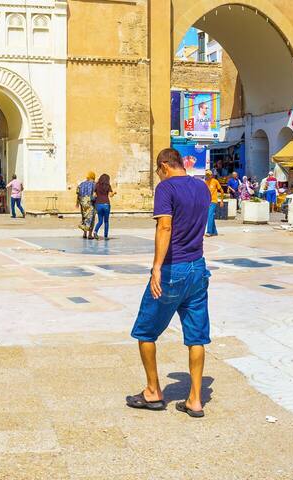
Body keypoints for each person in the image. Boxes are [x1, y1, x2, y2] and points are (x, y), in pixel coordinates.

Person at [123, 148, 214, 418]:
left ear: (164, 165)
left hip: (174, 268)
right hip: (198, 268)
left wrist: (156, 268)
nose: (158, 176)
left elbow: (165, 227)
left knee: (145, 331)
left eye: (158, 171)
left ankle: (153, 390)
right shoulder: (202, 188)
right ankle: (195, 399)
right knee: (196, 336)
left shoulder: (166, 189)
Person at [93, 174, 114, 240]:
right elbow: (110, 195)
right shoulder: (108, 186)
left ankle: (95, 231)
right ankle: (105, 236)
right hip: (106, 205)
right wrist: (114, 193)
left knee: (100, 221)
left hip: (98, 204)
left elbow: (94, 195)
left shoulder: (96, 185)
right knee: (106, 221)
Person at [77, 172, 98, 239]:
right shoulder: (94, 184)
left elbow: (78, 194)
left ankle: (84, 233)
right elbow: (95, 195)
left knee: (84, 218)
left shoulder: (81, 184)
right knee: (91, 219)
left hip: (82, 203)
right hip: (90, 203)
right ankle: (90, 234)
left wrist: (77, 203)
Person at [203, 169, 222, 237]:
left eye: (208, 175)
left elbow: (221, 191)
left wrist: (221, 201)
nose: (207, 176)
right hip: (207, 202)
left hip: (213, 201)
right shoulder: (205, 182)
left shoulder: (215, 181)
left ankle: (209, 232)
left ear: (211, 175)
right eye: (206, 175)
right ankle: (214, 231)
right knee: (210, 216)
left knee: (209, 216)